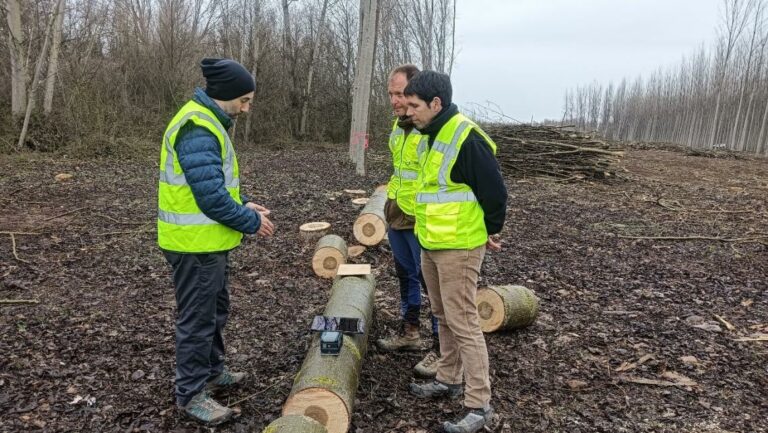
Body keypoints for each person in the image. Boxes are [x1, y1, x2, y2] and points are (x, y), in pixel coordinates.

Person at [157, 58, 275, 426]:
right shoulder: (198, 127)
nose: (246, 107)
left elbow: (211, 188)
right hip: (195, 246)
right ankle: (191, 393)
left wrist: (242, 204)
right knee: (197, 319)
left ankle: (211, 371)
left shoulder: (209, 122)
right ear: (223, 95)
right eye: (243, 99)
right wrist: (250, 221)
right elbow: (209, 199)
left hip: (209, 243)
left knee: (215, 311)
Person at [404, 71, 507, 433]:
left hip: (459, 246)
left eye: (415, 106)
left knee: (463, 320)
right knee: (442, 313)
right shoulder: (428, 135)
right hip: (431, 242)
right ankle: (448, 378)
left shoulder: (466, 137)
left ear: (436, 104)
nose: (408, 111)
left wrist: (487, 231)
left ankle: (479, 404)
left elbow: (495, 194)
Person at [375, 64, 439, 378]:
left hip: (422, 218)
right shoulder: (397, 127)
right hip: (397, 213)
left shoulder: (428, 130)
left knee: (432, 283)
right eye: (391, 94)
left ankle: (442, 348)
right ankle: (410, 331)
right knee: (405, 275)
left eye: (400, 94)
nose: (395, 100)